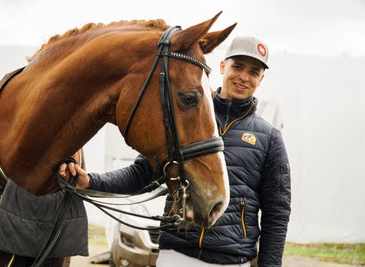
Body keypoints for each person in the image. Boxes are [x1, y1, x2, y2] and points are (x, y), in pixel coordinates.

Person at [60, 36, 291, 267]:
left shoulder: (269, 138)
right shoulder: (185, 116)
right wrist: (90, 181)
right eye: (237, 67)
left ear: (261, 79)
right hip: (176, 255)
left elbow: (276, 214)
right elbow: (141, 173)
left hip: (230, 260)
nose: (243, 77)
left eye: (253, 71)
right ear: (223, 66)